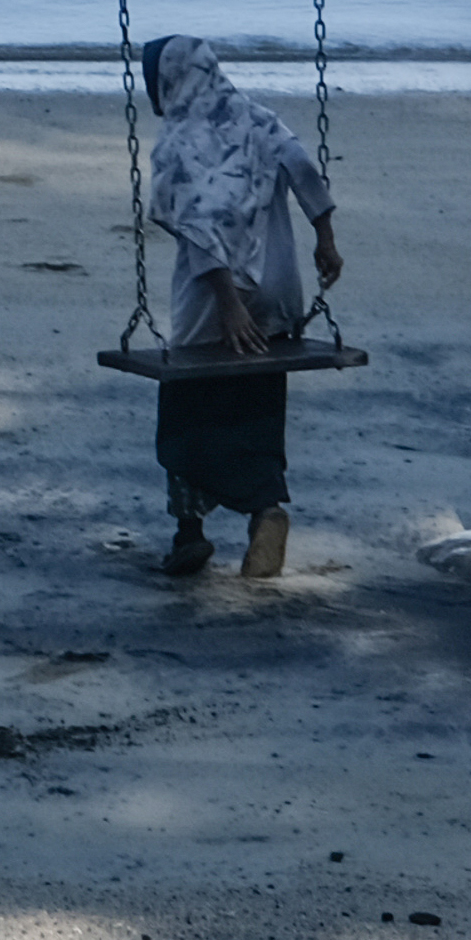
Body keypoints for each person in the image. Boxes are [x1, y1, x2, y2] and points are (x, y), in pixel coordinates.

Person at [136, 30, 343, 578]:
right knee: (256, 399)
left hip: (216, 292)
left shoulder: (179, 141)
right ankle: (267, 511)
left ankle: (190, 533)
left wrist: (228, 303)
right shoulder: (257, 117)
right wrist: (325, 237)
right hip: (279, 288)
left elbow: (202, 226)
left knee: (187, 405)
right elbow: (302, 166)